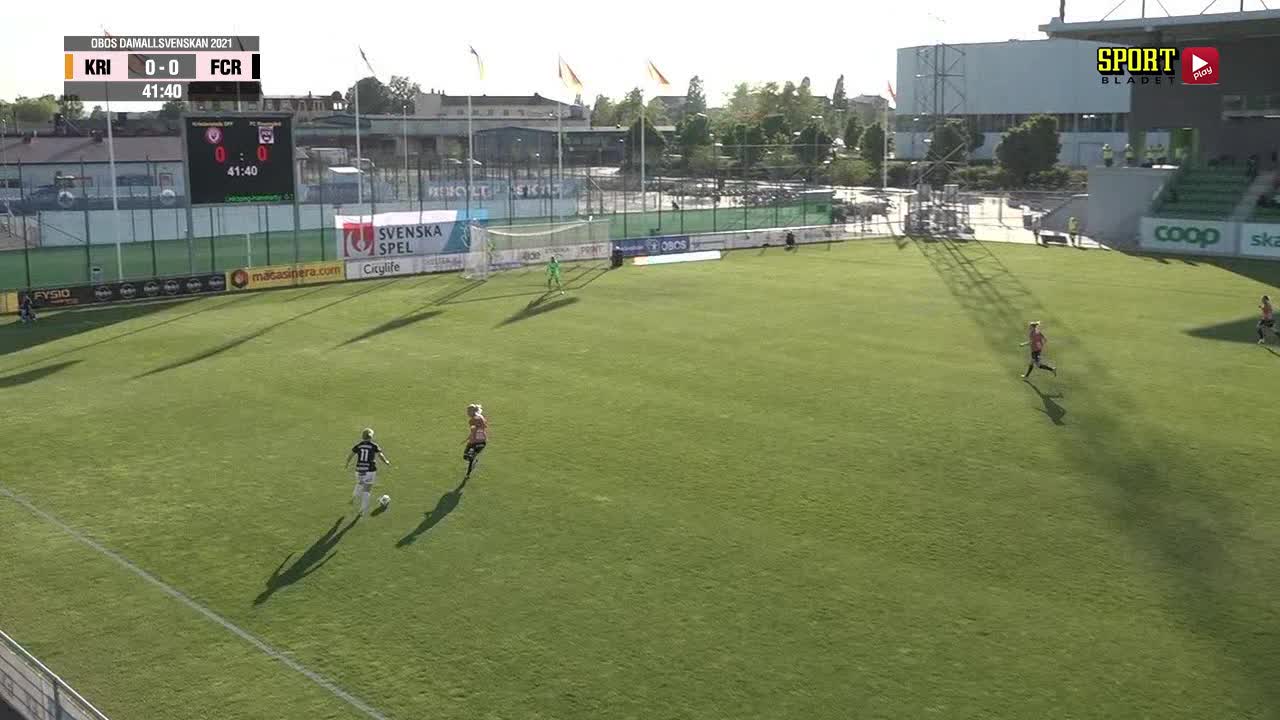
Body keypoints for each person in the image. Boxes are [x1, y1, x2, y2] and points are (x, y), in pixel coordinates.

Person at [345, 428, 390, 517]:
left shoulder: (359, 445)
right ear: (371, 437)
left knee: (359, 484)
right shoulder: (374, 446)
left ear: (362, 437)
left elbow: (351, 455)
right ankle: (362, 509)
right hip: (370, 470)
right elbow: (380, 455)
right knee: (367, 489)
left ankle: (354, 497)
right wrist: (386, 461)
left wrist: (347, 463)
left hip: (359, 469)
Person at [463, 404, 488, 479]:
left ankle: (468, 473)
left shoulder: (473, 420)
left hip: (477, 442)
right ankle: (473, 461)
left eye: (468, 411)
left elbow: (475, 430)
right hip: (479, 441)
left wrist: (469, 439)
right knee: (467, 456)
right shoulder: (477, 417)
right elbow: (482, 427)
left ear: (472, 411)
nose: (467, 413)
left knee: (469, 456)